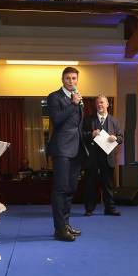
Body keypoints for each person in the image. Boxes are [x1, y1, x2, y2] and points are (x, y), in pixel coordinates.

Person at [47, 66, 87, 242]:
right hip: (62, 148)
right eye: (68, 78)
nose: (71, 81)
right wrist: (73, 104)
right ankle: (59, 230)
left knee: (71, 189)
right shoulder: (54, 97)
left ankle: (66, 224)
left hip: (77, 149)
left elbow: (77, 125)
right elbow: (56, 119)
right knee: (61, 189)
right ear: (62, 80)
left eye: (74, 78)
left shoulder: (77, 97)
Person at [82, 95, 123, 216]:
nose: (100, 105)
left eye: (102, 102)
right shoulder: (88, 120)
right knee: (90, 184)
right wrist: (91, 134)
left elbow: (121, 137)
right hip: (92, 158)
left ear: (107, 104)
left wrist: (116, 138)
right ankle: (89, 209)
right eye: (97, 103)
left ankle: (109, 208)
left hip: (108, 158)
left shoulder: (114, 121)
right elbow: (82, 135)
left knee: (108, 185)